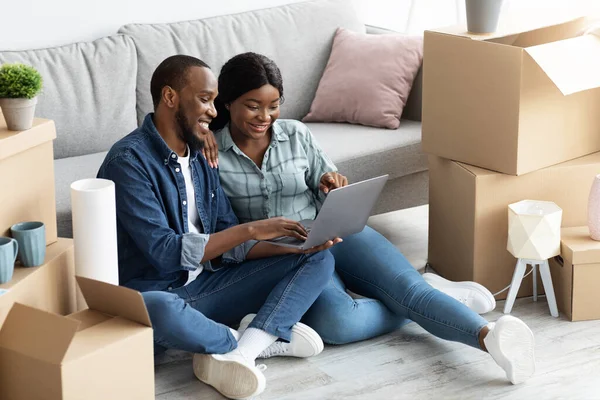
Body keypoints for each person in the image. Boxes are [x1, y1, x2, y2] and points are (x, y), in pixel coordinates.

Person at [205, 52, 536, 385]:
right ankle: (439, 296)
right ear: (228, 102)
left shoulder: (295, 134)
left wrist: (330, 183)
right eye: (253, 106)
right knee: (338, 323)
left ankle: (488, 337)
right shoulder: (210, 155)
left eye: (273, 105)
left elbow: (325, 176)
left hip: (333, 229)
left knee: (409, 291)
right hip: (286, 258)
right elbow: (225, 232)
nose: (265, 116)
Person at [97, 55, 341, 400]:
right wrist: (254, 229)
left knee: (317, 258)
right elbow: (166, 253)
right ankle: (253, 340)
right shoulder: (129, 161)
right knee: (153, 307)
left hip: (210, 284)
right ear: (170, 97)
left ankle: (242, 351)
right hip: (166, 295)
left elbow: (229, 239)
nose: (213, 112)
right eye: (204, 99)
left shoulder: (200, 156)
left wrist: (291, 248)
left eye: (214, 101)